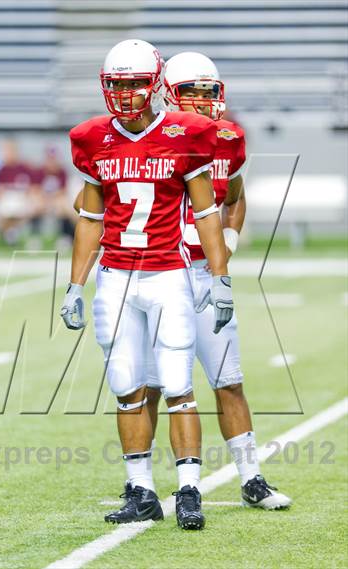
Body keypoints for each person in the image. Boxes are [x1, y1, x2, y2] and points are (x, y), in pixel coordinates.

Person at [60, 39, 233, 530]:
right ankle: (140, 490)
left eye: (135, 83)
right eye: (117, 84)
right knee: (126, 388)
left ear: (155, 84)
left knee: (178, 385)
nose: (126, 94)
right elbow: (90, 217)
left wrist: (219, 278)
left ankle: (190, 490)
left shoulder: (186, 133)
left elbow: (206, 214)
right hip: (115, 278)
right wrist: (75, 285)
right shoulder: (94, 138)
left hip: (168, 274)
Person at [155, 51, 291, 510]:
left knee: (228, 380)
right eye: (189, 91)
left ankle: (252, 478)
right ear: (168, 94)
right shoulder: (151, 140)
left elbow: (234, 196)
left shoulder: (228, 138)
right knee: (162, 386)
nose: (199, 100)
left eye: (207, 92)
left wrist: (227, 242)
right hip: (158, 273)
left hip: (206, 274)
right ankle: (153, 483)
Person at [0, 140, 41, 246]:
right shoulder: (2, 170)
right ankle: (9, 234)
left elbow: (34, 187)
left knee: (35, 206)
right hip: (7, 198)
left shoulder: (25, 168)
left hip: (23, 198)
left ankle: (31, 236)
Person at [33, 146, 76, 248]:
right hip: (43, 199)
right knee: (37, 205)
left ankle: (65, 236)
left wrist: (52, 197)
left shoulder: (62, 172)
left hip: (56, 200)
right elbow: (35, 189)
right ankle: (35, 236)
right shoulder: (40, 172)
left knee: (63, 207)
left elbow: (64, 190)